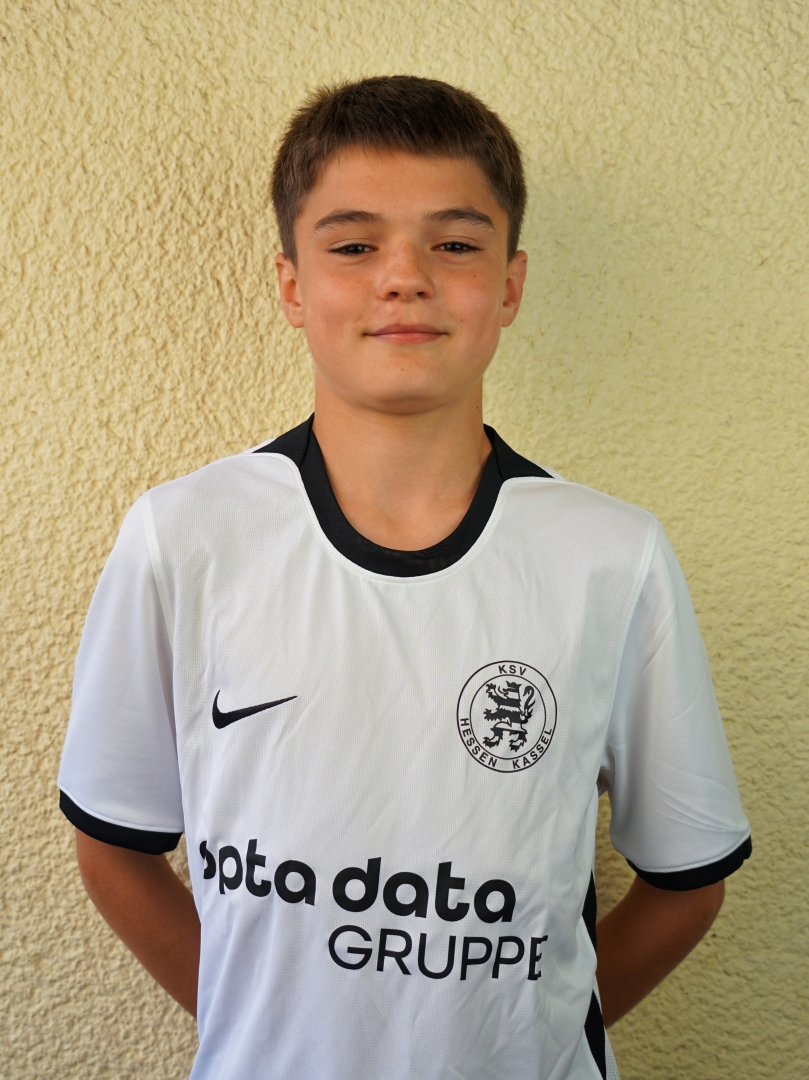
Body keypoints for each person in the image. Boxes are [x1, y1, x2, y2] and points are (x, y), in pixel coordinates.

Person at [58, 76, 751, 1080]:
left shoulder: (611, 556)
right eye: (352, 246)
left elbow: (686, 880)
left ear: (508, 286)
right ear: (292, 285)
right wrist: (261, 1028)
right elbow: (114, 847)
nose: (404, 278)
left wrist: (537, 1035)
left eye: (454, 244)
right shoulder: (184, 537)